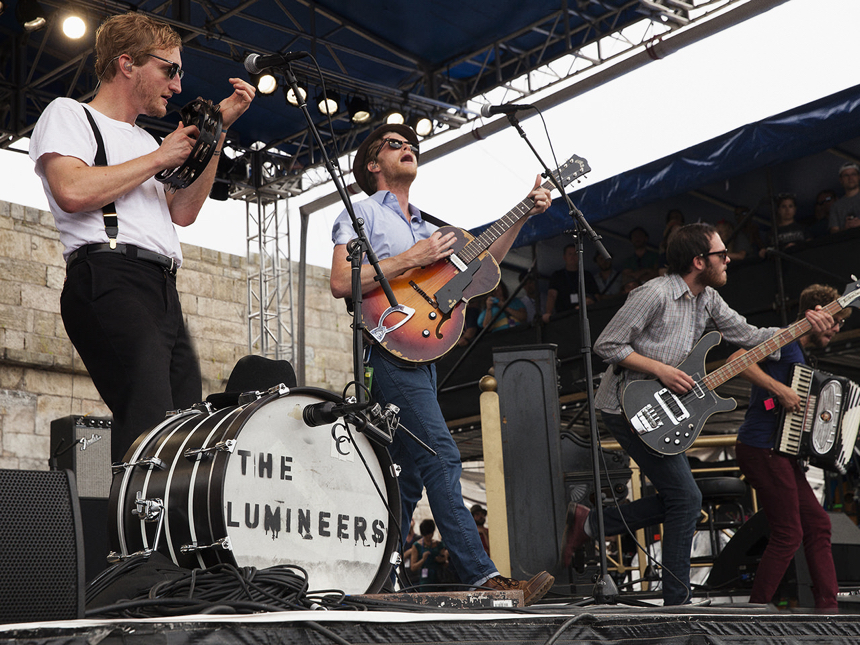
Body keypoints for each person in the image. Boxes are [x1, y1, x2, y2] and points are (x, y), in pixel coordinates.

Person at [329, 123, 554, 604]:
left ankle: (375, 573)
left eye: (411, 144)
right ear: (373, 165)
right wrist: (411, 259)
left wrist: (521, 213)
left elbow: (483, 263)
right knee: (443, 456)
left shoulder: (430, 225)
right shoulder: (362, 213)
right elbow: (341, 282)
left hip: (423, 356)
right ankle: (485, 578)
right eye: (395, 144)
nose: (408, 147)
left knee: (409, 475)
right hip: (389, 352)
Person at [561, 223, 834, 606]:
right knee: (686, 498)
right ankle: (675, 599)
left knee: (681, 497)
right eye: (721, 254)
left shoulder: (707, 299)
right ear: (698, 261)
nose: (728, 260)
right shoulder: (654, 293)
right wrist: (660, 369)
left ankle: (590, 524)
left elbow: (753, 337)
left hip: (663, 409)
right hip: (626, 407)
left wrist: (804, 326)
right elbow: (607, 344)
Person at [28, 12, 255, 461]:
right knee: (149, 420)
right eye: (169, 69)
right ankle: (128, 527)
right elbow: (72, 190)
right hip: (109, 275)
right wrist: (160, 158)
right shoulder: (70, 114)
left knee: (188, 426)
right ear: (126, 63)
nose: (177, 85)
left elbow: (183, 213)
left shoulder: (146, 143)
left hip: (162, 288)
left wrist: (215, 131)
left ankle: (167, 529)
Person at [729, 284, 848, 612]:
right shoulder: (787, 338)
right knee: (788, 532)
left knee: (819, 525)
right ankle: (757, 610)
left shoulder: (800, 353)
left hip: (779, 451)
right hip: (761, 447)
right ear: (820, 313)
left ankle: (829, 608)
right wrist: (778, 389)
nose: (838, 329)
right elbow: (738, 358)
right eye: (836, 321)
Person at [542, 243, 599, 322]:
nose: (573, 257)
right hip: (563, 316)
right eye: (570, 254)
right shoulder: (557, 275)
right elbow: (552, 295)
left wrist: (589, 301)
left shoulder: (586, 275)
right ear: (564, 257)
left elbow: (596, 296)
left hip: (584, 316)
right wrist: (548, 313)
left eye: (575, 254)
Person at [405, 519, 450, 591]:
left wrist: (442, 559)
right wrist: (423, 559)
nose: (429, 537)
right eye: (427, 535)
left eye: (430, 534)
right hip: (425, 580)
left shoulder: (439, 544)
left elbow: (445, 560)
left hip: (439, 579)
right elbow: (413, 567)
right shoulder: (417, 545)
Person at [829, 162, 860, 233]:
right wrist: (846, 229)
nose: (850, 178)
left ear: (859, 177)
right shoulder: (836, 206)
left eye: (853, 174)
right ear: (841, 180)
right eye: (846, 175)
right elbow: (834, 231)